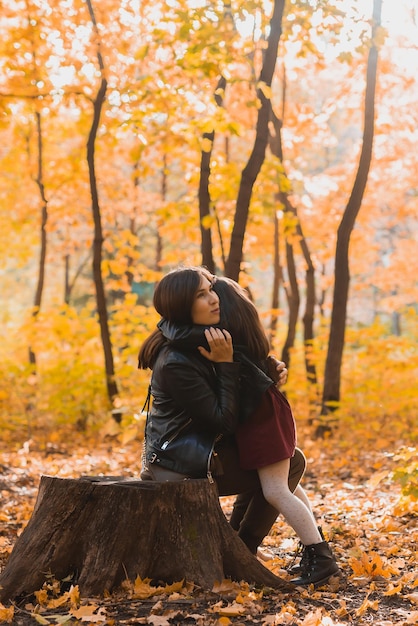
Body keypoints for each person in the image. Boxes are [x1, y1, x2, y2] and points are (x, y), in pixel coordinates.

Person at [137, 266, 306, 560]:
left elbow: (232, 390)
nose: (214, 299)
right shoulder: (176, 360)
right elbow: (224, 420)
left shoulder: (201, 340)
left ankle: (238, 547)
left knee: (287, 460)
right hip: (177, 466)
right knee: (288, 466)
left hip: (202, 450)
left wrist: (267, 371)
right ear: (182, 306)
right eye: (201, 295)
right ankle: (244, 549)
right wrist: (226, 365)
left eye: (211, 289)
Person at [211, 276, 339, 587]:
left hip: (263, 420)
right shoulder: (241, 336)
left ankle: (321, 559)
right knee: (284, 486)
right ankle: (317, 549)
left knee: (276, 491)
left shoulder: (224, 340)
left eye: (213, 300)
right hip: (264, 416)